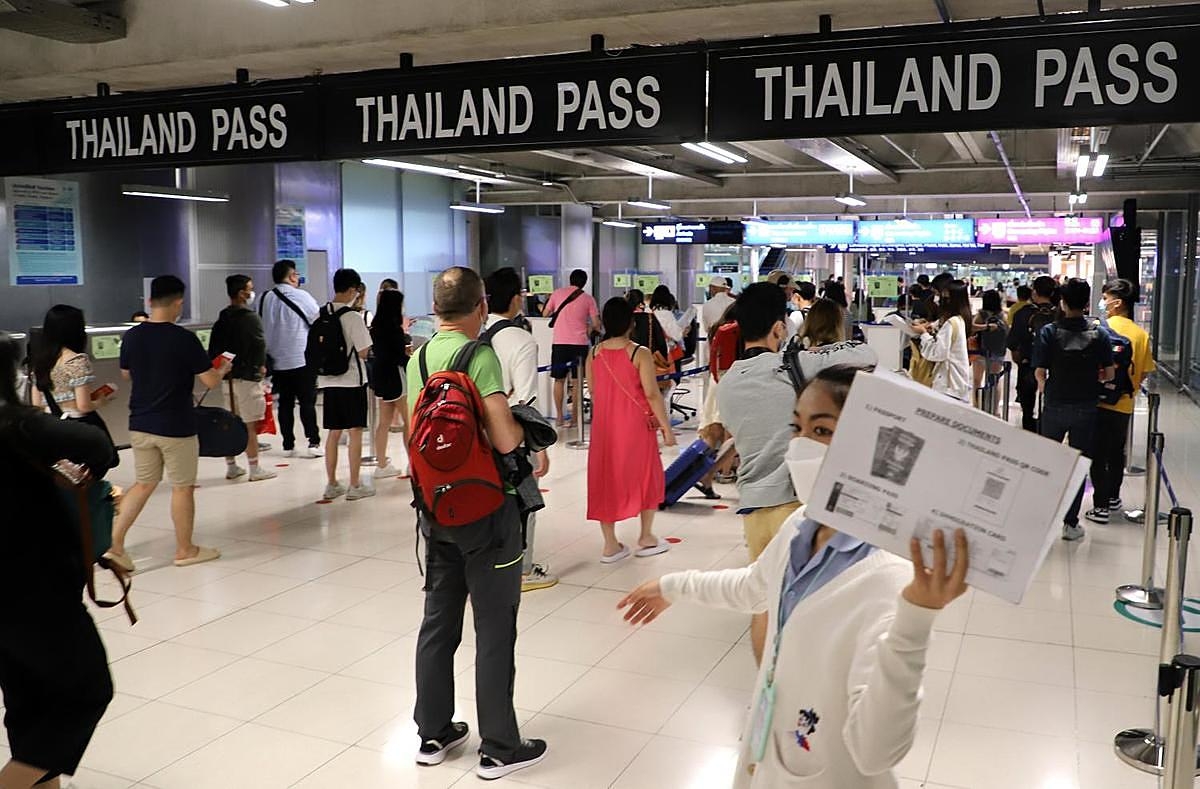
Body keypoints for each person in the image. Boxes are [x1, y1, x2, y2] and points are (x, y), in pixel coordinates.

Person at [618, 364, 970, 789]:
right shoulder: (803, 524)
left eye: (822, 431)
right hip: (770, 757)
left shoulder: (889, 577)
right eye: (797, 427)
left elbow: (875, 750)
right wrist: (673, 586)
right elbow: (754, 588)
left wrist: (915, 620)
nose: (801, 445)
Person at [409, 267, 547, 781]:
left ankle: (433, 732)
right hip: (488, 510)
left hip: (434, 508)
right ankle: (500, 746)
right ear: (480, 306)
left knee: (438, 622)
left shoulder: (418, 358)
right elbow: (505, 439)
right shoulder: (479, 355)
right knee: (494, 626)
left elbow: (416, 435)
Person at [0, 331, 115, 789]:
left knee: (30, 699)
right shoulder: (17, 426)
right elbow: (98, 447)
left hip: (7, 599)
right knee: (86, 691)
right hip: (35, 586)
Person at [106, 275, 229, 572]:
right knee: (182, 487)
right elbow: (209, 380)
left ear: (149, 302)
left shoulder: (132, 336)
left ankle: (115, 544)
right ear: (179, 303)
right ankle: (185, 549)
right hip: (176, 425)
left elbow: (126, 374)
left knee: (144, 483)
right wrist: (223, 367)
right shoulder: (183, 338)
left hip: (140, 422)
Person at [716, 283, 803, 663]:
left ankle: (765, 692)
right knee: (801, 605)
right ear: (779, 328)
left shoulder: (728, 382)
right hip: (794, 504)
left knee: (763, 602)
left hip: (753, 509)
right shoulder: (790, 369)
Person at [587, 296, 676, 562]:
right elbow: (651, 393)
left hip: (604, 427)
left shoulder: (594, 353)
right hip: (635, 425)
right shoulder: (639, 353)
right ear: (630, 322)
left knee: (605, 478)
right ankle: (646, 536)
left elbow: (593, 391)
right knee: (646, 475)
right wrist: (665, 428)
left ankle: (610, 545)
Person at [484, 267, 556, 593]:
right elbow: (526, 400)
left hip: (473, 434)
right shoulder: (520, 339)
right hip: (509, 435)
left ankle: (484, 563)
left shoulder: (471, 333)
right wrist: (539, 451)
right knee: (524, 501)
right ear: (516, 299)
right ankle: (522, 569)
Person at [1034, 278, 1115, 541]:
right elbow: (1109, 373)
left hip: (1055, 404)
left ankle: (1041, 520)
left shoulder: (1048, 331)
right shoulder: (1100, 333)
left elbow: (1040, 371)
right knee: (1078, 465)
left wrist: (1045, 386)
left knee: (1047, 464)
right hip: (1086, 406)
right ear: (1087, 302)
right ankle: (1070, 524)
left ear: (1062, 302)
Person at [1087, 278, 1156, 524]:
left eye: (1105, 299)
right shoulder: (1140, 334)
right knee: (1116, 453)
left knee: (1096, 454)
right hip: (1124, 403)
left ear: (1116, 303)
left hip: (1098, 401)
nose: (1103, 303)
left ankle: (1100, 507)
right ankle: (1114, 498)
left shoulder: (1099, 327)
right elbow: (1146, 371)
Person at [207, 274, 276, 483]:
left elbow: (213, 350)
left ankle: (232, 466)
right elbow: (259, 345)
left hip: (227, 377)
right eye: (249, 289)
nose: (251, 292)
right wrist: (261, 367)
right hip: (248, 377)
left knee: (230, 422)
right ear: (241, 293)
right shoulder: (249, 317)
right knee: (249, 424)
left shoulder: (222, 318)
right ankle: (255, 468)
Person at [319, 268, 375, 501]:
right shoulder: (352, 317)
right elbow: (364, 352)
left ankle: (332, 483)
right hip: (351, 381)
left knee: (333, 433)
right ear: (352, 289)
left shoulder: (321, 313)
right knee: (354, 433)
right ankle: (354, 485)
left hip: (328, 381)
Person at [259, 259, 323, 458]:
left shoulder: (263, 298)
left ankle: (288, 444)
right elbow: (317, 319)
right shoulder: (302, 296)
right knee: (306, 402)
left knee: (285, 403)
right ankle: (313, 442)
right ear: (291, 276)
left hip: (276, 360)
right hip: (301, 358)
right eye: (296, 274)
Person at [30, 304, 116, 426]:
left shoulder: (40, 362)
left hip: (50, 426)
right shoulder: (76, 361)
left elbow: (37, 405)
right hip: (76, 425)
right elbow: (83, 406)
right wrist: (101, 402)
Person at [541, 269, 601, 428]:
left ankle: (560, 417)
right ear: (585, 282)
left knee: (559, 380)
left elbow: (545, 314)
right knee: (577, 382)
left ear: (570, 279)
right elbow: (596, 324)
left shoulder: (557, 293)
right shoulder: (589, 299)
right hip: (579, 344)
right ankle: (575, 419)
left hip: (559, 343)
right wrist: (588, 329)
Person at [1007, 276, 1059, 433]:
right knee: (1050, 406)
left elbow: (1012, 342)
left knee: (1028, 409)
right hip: (1055, 367)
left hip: (1027, 363)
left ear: (1034, 292)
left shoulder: (1023, 313)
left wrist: (1019, 358)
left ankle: (1029, 435)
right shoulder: (1059, 313)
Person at [369, 288, 409, 480]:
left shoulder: (376, 326)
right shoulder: (395, 328)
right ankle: (413, 464)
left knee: (383, 423)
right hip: (396, 377)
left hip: (380, 376)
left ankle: (382, 464)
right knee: (409, 422)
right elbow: (400, 357)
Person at [912, 280, 972, 402]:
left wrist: (924, 334)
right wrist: (930, 326)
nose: (938, 299)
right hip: (954, 384)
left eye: (942, 296)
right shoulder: (958, 319)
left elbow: (938, 353)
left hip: (949, 385)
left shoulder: (951, 323)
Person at [970, 289, 1008, 401]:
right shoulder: (1002, 315)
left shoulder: (981, 315)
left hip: (981, 352)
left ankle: (976, 405)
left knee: (977, 380)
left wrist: (984, 327)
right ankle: (995, 410)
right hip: (998, 351)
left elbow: (971, 327)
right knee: (995, 381)